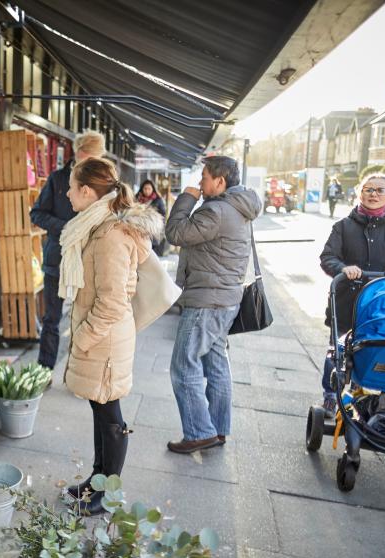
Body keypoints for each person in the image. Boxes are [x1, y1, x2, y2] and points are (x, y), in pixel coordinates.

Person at [61, 157, 162, 515]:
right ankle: (96, 480)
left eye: (73, 187)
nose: (68, 193)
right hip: (104, 338)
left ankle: (107, 493)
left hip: (104, 341)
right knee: (100, 410)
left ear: (88, 192)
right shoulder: (99, 226)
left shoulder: (110, 236)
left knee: (110, 416)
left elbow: (113, 301)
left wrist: (83, 338)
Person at [164, 156, 262, 453]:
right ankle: (217, 429)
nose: (200, 183)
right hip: (224, 299)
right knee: (215, 363)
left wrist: (186, 199)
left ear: (220, 182)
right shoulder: (237, 207)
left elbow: (176, 233)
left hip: (207, 300)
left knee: (184, 366)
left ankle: (198, 433)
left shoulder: (217, 211)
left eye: (204, 177)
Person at [318, 172, 385, 413]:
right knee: (338, 350)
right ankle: (330, 395)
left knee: (373, 349)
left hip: (380, 302)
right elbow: (327, 257)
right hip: (346, 300)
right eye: (368, 189)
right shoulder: (343, 226)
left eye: (380, 190)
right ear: (359, 192)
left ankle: (362, 394)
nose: (374, 194)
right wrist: (343, 268)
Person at [31, 130, 106, 371]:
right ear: (77, 153)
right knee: (51, 319)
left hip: (90, 260)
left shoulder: (103, 183)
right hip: (57, 259)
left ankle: (80, 371)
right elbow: (37, 214)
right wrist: (67, 228)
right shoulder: (57, 179)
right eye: (85, 157)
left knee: (86, 318)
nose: (87, 163)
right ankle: (44, 370)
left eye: (93, 159)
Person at [137, 179, 168, 256]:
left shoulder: (158, 200)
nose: (147, 191)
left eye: (149, 189)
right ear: (142, 189)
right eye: (145, 189)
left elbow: (163, 215)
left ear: (153, 189)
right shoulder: (136, 199)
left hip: (153, 230)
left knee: (151, 253)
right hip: (139, 228)